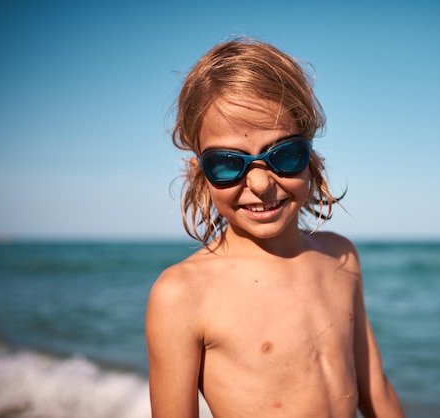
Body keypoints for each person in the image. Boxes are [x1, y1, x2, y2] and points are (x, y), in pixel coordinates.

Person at [145, 37, 405, 418]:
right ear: (199, 170)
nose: (262, 184)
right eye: (228, 163)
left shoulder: (341, 256)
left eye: (284, 153)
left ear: (310, 154)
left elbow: (375, 388)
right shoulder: (182, 295)